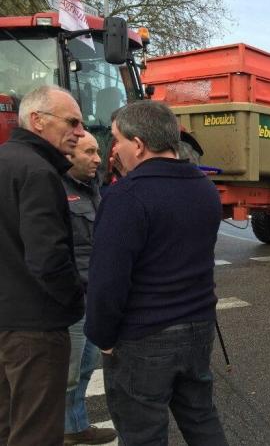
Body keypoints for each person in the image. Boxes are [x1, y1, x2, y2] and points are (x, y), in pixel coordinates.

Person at [85, 100, 228, 445]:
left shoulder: (126, 197)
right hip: (197, 326)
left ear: (138, 144)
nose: (114, 149)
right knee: (201, 418)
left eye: (117, 139)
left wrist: (103, 337)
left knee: (142, 432)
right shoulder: (205, 189)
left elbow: (107, 281)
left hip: (143, 336)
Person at [0, 85, 85, 446]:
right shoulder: (39, 172)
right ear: (37, 121)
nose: (80, 132)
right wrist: (74, 302)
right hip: (35, 329)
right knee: (36, 432)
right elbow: (48, 256)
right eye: (72, 122)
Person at [62, 132, 118, 445]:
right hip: (72, 298)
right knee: (66, 373)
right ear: (69, 155)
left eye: (99, 151)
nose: (98, 158)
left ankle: (75, 426)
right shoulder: (54, 188)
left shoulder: (94, 188)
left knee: (83, 368)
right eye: (90, 151)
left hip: (93, 295)